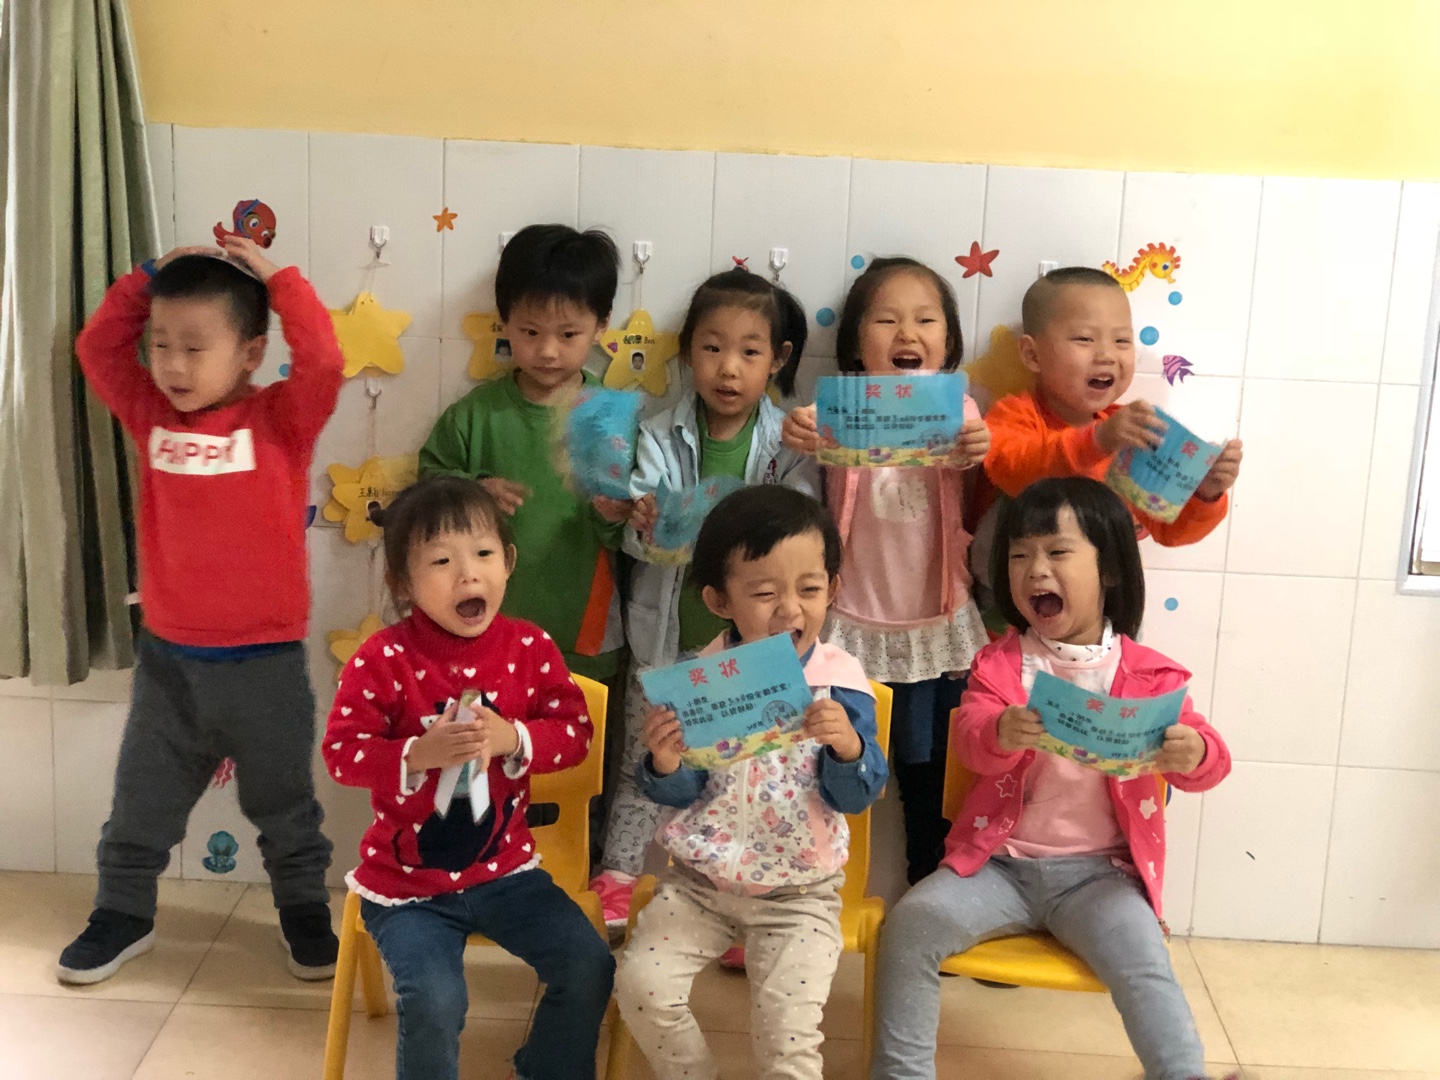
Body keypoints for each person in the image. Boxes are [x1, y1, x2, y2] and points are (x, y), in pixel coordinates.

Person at [870, 477, 1234, 1080]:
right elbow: (972, 739)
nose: (1035, 568)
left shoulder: (1153, 677)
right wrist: (999, 732)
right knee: (911, 923)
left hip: (1101, 876)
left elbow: (1211, 762)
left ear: (1109, 569)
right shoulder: (999, 664)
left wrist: (1194, 752)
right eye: (1019, 555)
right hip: (998, 867)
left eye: (1058, 551)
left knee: (1145, 959)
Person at [61, 239, 343, 984]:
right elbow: (97, 349)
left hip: (266, 665)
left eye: (194, 347)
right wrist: (149, 275)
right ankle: (122, 913)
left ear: (251, 353)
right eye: (161, 345)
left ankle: (303, 912)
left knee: (285, 807)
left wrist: (280, 281)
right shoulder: (150, 414)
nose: (173, 365)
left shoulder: (281, 420)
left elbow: (322, 362)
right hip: (170, 664)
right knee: (141, 802)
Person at [323, 475, 614, 1080]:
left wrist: (515, 739)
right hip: (408, 886)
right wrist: (415, 754)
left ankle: (545, 1068)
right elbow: (342, 755)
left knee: (589, 964)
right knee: (436, 1000)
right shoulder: (381, 658)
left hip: (508, 872)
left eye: (483, 553)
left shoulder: (530, 646)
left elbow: (577, 735)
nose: (467, 574)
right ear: (403, 583)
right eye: (441, 561)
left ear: (508, 562)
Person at [614, 485, 887, 1080]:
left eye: (809, 589)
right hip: (699, 884)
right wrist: (665, 762)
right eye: (764, 593)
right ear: (719, 600)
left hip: (799, 894)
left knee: (788, 1041)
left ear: (833, 589)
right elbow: (677, 793)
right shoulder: (699, 681)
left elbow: (858, 794)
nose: (790, 610)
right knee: (639, 986)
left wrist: (848, 747)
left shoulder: (841, 683)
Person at [589, 268, 819, 935]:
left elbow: (802, 532)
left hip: (752, 647)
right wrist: (642, 519)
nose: (729, 367)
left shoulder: (787, 442)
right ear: (688, 351)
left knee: (744, 773)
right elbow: (639, 533)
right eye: (712, 347)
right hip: (662, 639)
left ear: (778, 359)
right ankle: (617, 878)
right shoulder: (658, 433)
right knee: (645, 761)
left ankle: (744, 896)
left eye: (750, 351)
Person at [781, 257, 990, 883]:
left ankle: (932, 892)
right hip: (850, 626)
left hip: (935, 628)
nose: (908, 333)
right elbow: (804, 440)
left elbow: (975, 442)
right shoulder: (836, 410)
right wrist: (799, 430)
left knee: (931, 777)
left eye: (926, 320)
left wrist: (977, 446)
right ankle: (813, 893)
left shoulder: (958, 409)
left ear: (948, 340)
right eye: (886, 320)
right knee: (830, 763)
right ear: (854, 341)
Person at [419, 223, 627, 685]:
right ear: (504, 320)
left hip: (584, 633)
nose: (547, 351)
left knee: (581, 730)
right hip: (483, 628)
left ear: (601, 325)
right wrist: (473, 493)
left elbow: (631, 532)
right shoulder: (473, 416)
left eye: (568, 334)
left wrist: (619, 515)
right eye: (530, 331)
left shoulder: (613, 419)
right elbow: (428, 492)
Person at [983, 266, 1243, 544]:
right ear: (1032, 355)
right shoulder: (1014, 415)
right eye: (1084, 339)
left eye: (1122, 340)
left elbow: (1169, 530)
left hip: (1111, 571)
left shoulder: (1132, 433)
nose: (1107, 355)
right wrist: (1096, 442)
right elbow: (1012, 469)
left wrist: (1204, 493)